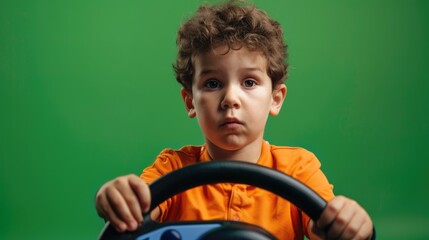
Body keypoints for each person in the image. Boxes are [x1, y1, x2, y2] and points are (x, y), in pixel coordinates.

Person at [95, 1, 374, 239]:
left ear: (275, 99)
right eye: (213, 83)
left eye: (249, 82)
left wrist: (350, 223)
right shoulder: (171, 169)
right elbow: (138, 209)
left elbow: (324, 227)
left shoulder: (299, 170)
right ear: (190, 101)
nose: (231, 98)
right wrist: (119, 198)